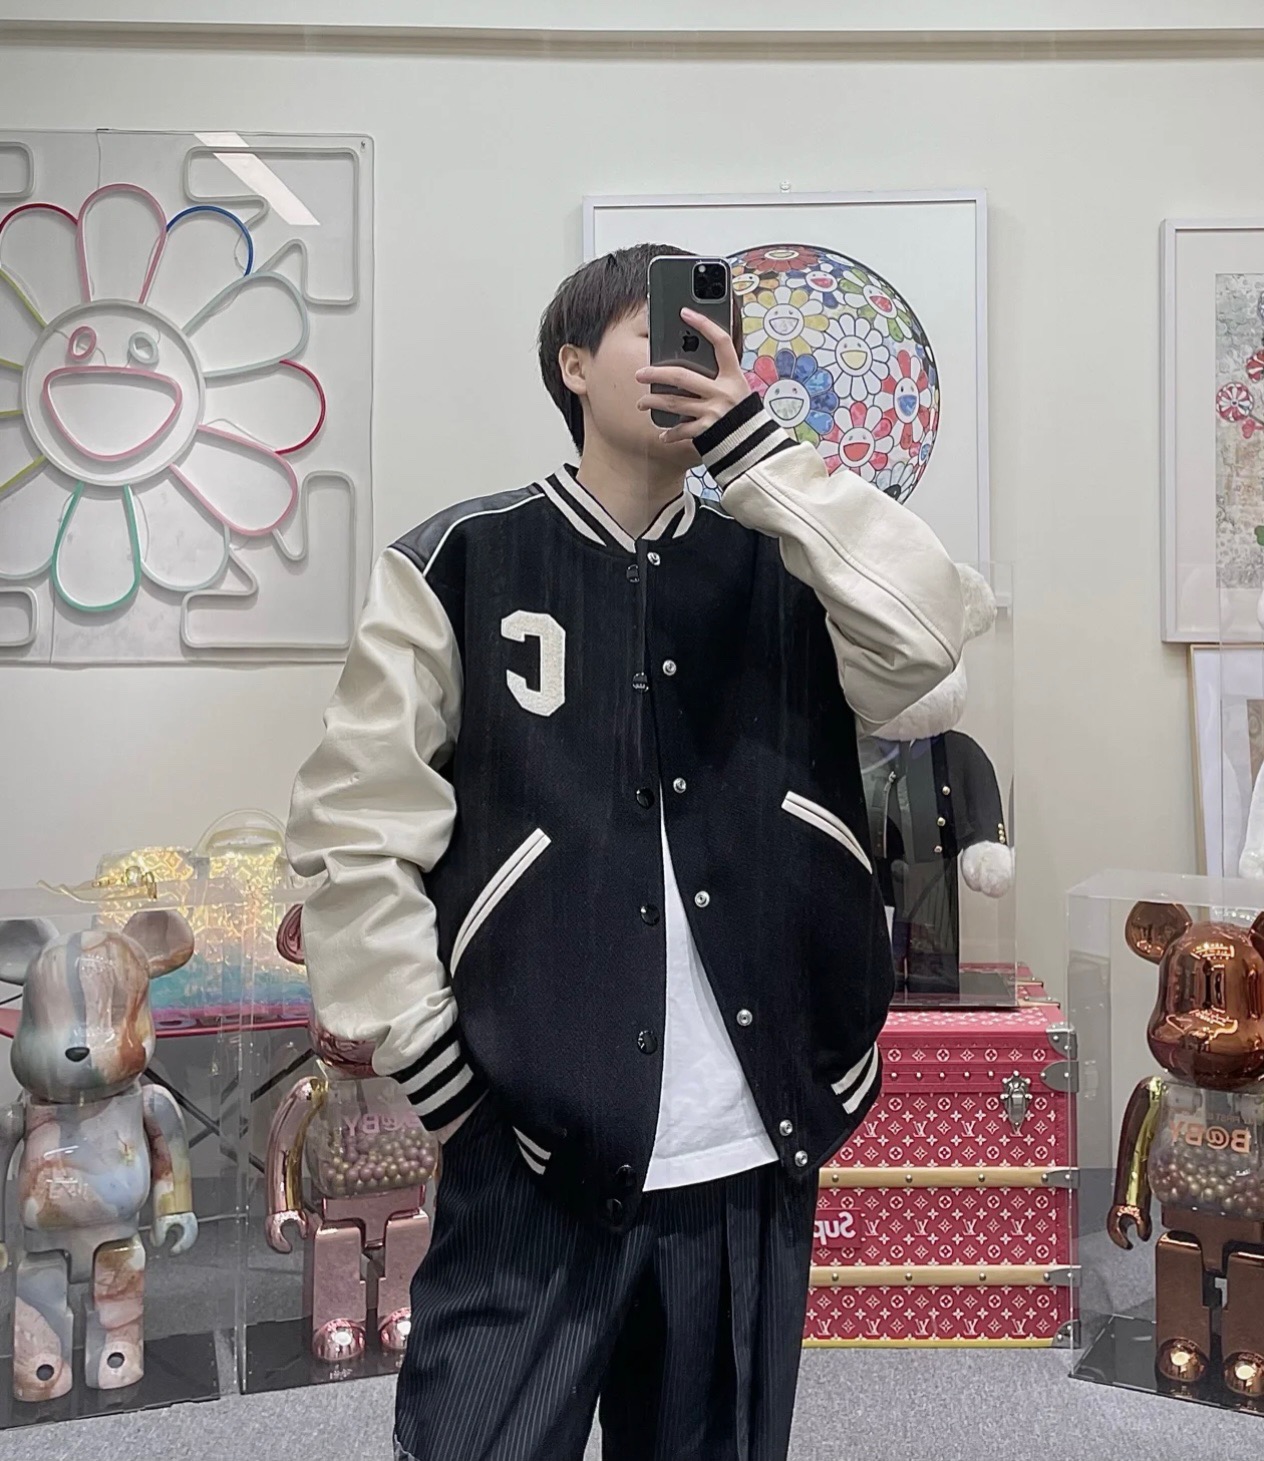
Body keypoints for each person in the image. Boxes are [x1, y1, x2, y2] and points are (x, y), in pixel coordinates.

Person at [286, 242, 965, 1461]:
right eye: (655, 331)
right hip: (526, 1138)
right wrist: (440, 1076)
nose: (687, 353)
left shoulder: (787, 563)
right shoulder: (460, 561)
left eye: (709, 336)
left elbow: (925, 645)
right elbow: (354, 832)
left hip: (750, 1141)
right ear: (571, 366)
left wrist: (759, 456)